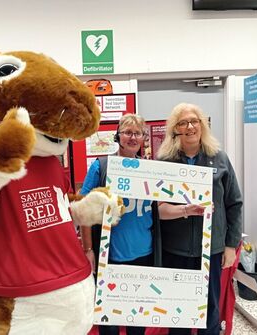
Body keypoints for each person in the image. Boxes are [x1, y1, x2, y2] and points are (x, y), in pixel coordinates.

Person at [156, 103, 243, 335]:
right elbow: (157, 208)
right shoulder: (165, 162)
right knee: (179, 310)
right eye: (183, 123)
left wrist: (230, 245)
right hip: (176, 249)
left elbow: (234, 204)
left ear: (202, 125)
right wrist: (183, 209)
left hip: (212, 249)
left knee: (211, 308)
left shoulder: (220, 159)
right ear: (175, 129)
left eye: (194, 121)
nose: (190, 126)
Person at [80, 114, 160, 335]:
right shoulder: (101, 167)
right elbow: (83, 210)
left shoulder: (152, 170)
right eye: (127, 132)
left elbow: (159, 208)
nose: (132, 137)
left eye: (137, 133)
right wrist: (88, 250)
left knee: (137, 316)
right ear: (118, 136)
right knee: (110, 319)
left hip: (145, 255)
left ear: (144, 137)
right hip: (111, 256)